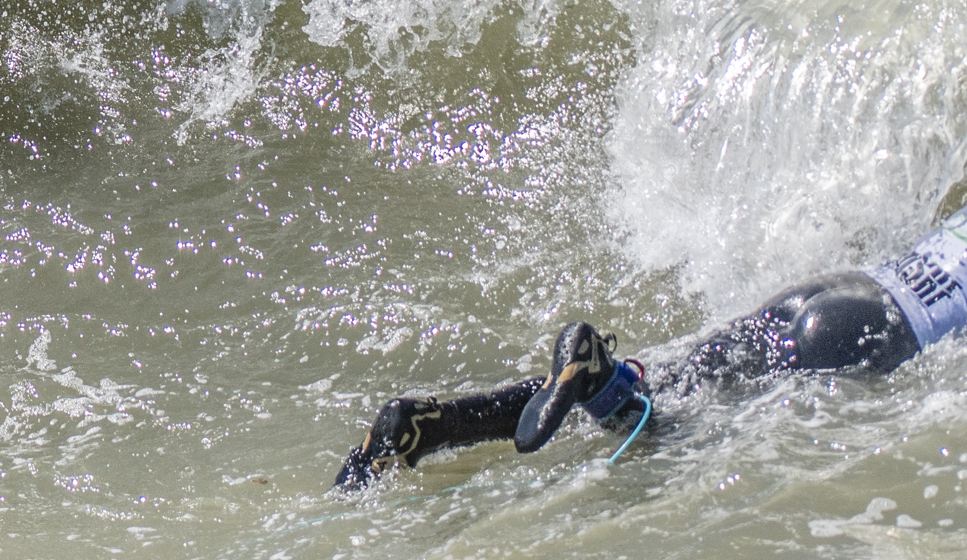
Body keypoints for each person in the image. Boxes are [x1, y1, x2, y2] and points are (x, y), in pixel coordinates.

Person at [331, 204, 967, 489]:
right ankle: (598, 381)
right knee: (692, 427)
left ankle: (439, 423)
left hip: (847, 288)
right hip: (881, 328)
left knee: (692, 371)